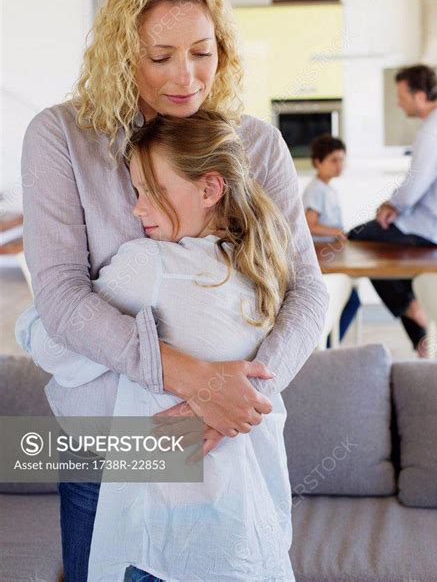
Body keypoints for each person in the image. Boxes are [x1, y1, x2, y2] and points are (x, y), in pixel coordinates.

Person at [15, 0, 329, 581]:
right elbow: (60, 296)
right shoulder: (61, 137)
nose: (186, 78)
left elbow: (307, 291)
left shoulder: (256, 145)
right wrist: (194, 380)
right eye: (160, 56)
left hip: (225, 451)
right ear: (121, 54)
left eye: (201, 52)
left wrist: (238, 401)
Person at [18, 110, 296, 581]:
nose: (136, 209)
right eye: (136, 191)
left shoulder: (149, 266)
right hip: (240, 522)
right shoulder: (261, 269)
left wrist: (34, 319)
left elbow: (53, 345)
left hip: (155, 527)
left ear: (210, 189)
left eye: (154, 191)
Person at [348, 64, 437, 355]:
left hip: (435, 229)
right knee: (393, 259)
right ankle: (420, 336)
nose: (398, 102)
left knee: (359, 238)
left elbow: (414, 186)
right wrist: (398, 206)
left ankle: (412, 310)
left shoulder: (434, 131)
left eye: (401, 95)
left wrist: (392, 205)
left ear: (420, 96)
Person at [302, 134, 360, 344]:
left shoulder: (327, 188)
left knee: (350, 299)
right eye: (334, 160)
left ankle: (328, 345)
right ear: (318, 162)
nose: (339, 165)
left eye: (342, 160)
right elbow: (309, 224)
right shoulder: (316, 189)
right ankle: (326, 345)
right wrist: (336, 233)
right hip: (321, 255)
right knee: (351, 300)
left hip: (329, 253)